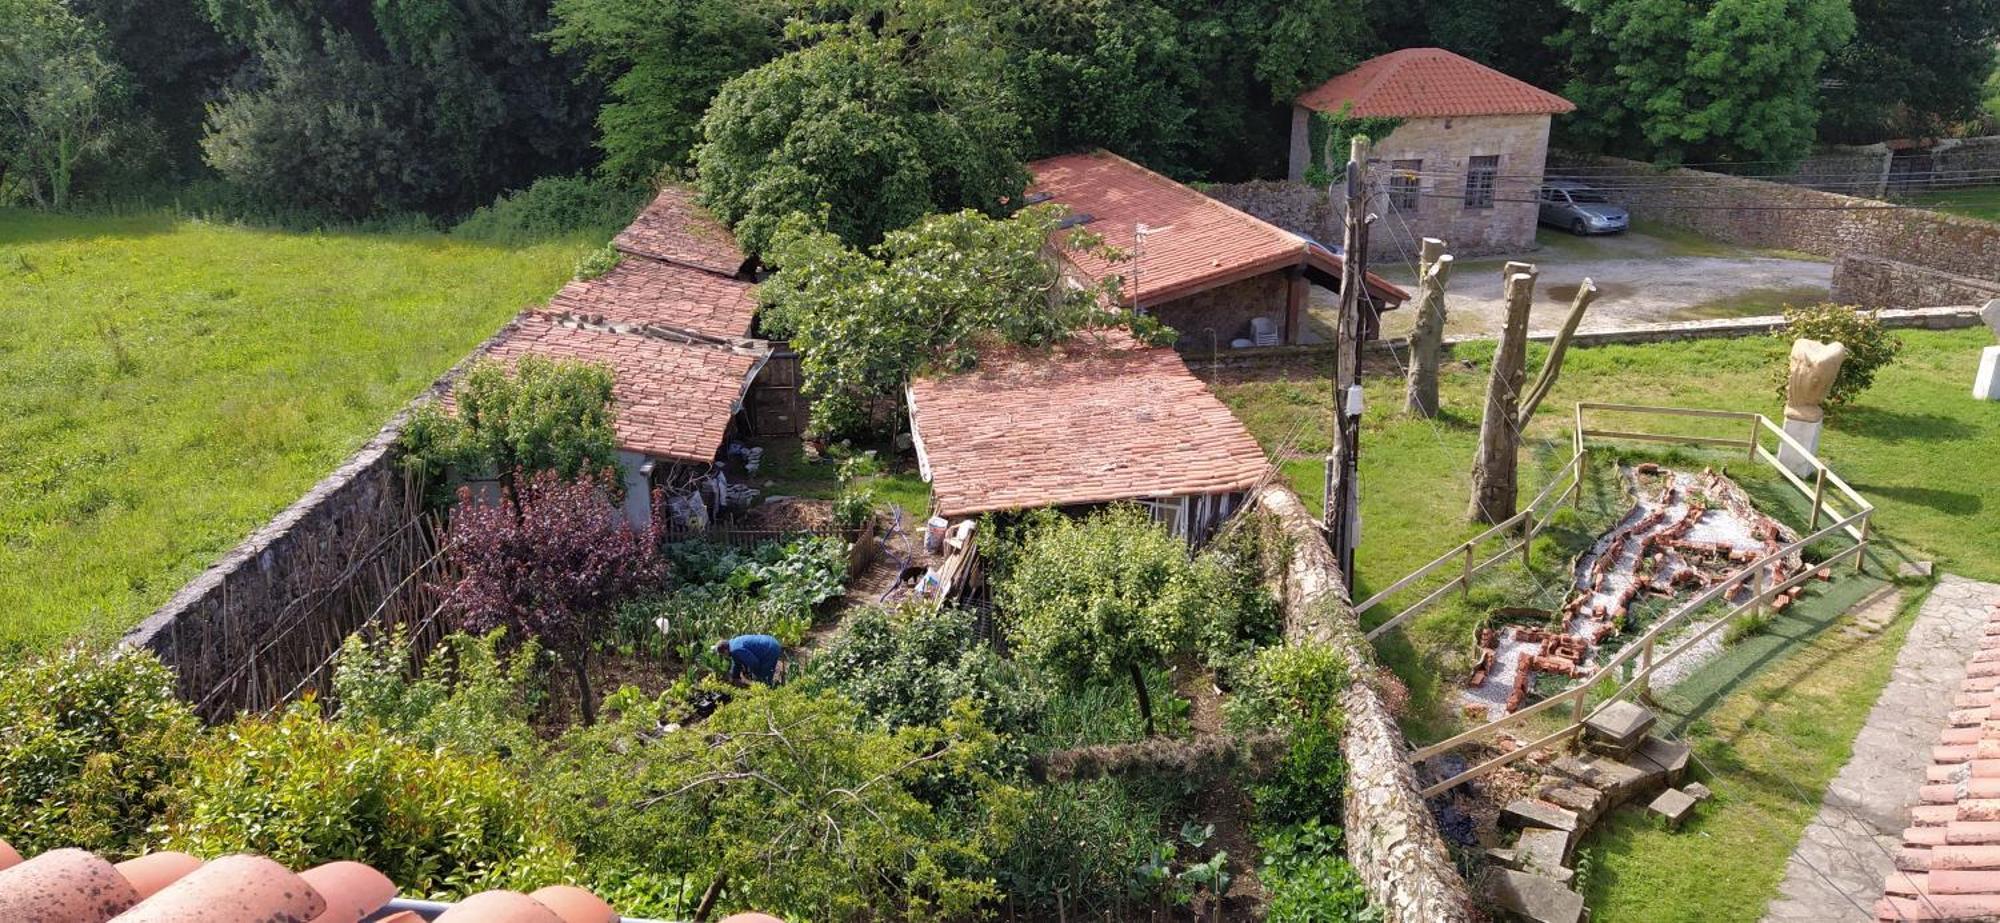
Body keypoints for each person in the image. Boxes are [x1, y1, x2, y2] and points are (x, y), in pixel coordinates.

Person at [715, 633, 784, 686]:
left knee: (762, 677)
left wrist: (754, 675)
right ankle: (771, 686)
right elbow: (736, 663)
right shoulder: (732, 644)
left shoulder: (735, 649)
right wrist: (734, 676)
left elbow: (754, 663)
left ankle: (768, 691)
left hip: (769, 650)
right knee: (766, 673)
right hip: (771, 642)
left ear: (725, 651)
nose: (724, 657)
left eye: (722, 655)